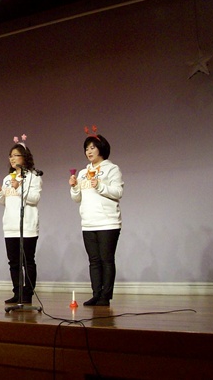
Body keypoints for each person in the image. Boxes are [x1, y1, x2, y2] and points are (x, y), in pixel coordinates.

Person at [69, 128, 123, 307]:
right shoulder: (83, 173)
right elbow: (77, 198)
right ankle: (96, 294)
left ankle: (105, 297)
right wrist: (74, 187)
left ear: (102, 148)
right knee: (94, 261)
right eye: (86, 149)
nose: (89, 151)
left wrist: (100, 185)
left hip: (108, 222)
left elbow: (118, 192)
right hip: (88, 222)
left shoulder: (112, 169)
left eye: (92, 147)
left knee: (106, 260)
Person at [0, 135, 42, 304]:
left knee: (28, 261)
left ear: (25, 157)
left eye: (16, 155)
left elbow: (34, 198)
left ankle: (27, 294)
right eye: (10, 156)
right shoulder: (8, 178)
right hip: (10, 225)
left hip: (27, 226)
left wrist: (20, 187)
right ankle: (17, 292)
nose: (12, 159)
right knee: (13, 262)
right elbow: (4, 201)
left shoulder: (33, 177)